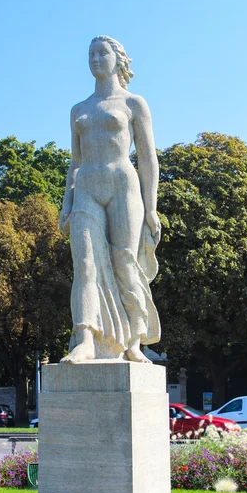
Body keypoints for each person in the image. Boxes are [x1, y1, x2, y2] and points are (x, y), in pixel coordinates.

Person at [59, 36, 161, 363]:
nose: (95, 58)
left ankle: (134, 340)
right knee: (84, 264)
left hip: (122, 186)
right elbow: (75, 162)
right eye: (90, 53)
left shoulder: (133, 103)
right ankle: (85, 337)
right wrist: (66, 202)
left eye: (102, 52)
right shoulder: (78, 109)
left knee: (124, 264)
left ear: (118, 59)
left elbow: (147, 159)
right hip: (86, 186)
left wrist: (152, 207)